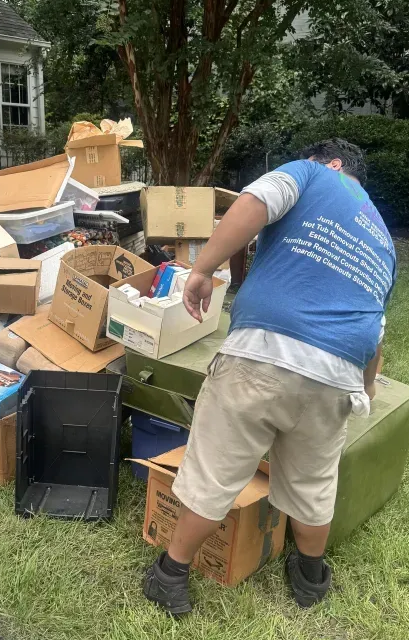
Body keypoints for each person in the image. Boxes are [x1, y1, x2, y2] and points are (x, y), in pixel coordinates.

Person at [143, 139, 396, 614]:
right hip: (336, 377)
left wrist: (202, 268)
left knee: (216, 470)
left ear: (333, 163)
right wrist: (363, 388)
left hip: (265, 351)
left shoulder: (311, 173)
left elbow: (253, 202)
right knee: (313, 482)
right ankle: (310, 577)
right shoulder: (383, 238)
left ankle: (170, 575)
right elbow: (375, 328)